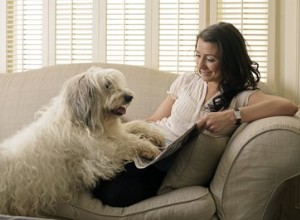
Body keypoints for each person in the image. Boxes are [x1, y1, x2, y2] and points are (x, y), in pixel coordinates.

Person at [91, 22, 298, 207]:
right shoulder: (187, 80)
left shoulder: (241, 95)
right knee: (91, 166)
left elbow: (288, 106)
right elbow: (154, 120)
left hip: (165, 163)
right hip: (147, 144)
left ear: (229, 60)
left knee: (114, 193)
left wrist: (233, 116)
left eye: (210, 59)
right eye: (198, 55)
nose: (200, 66)